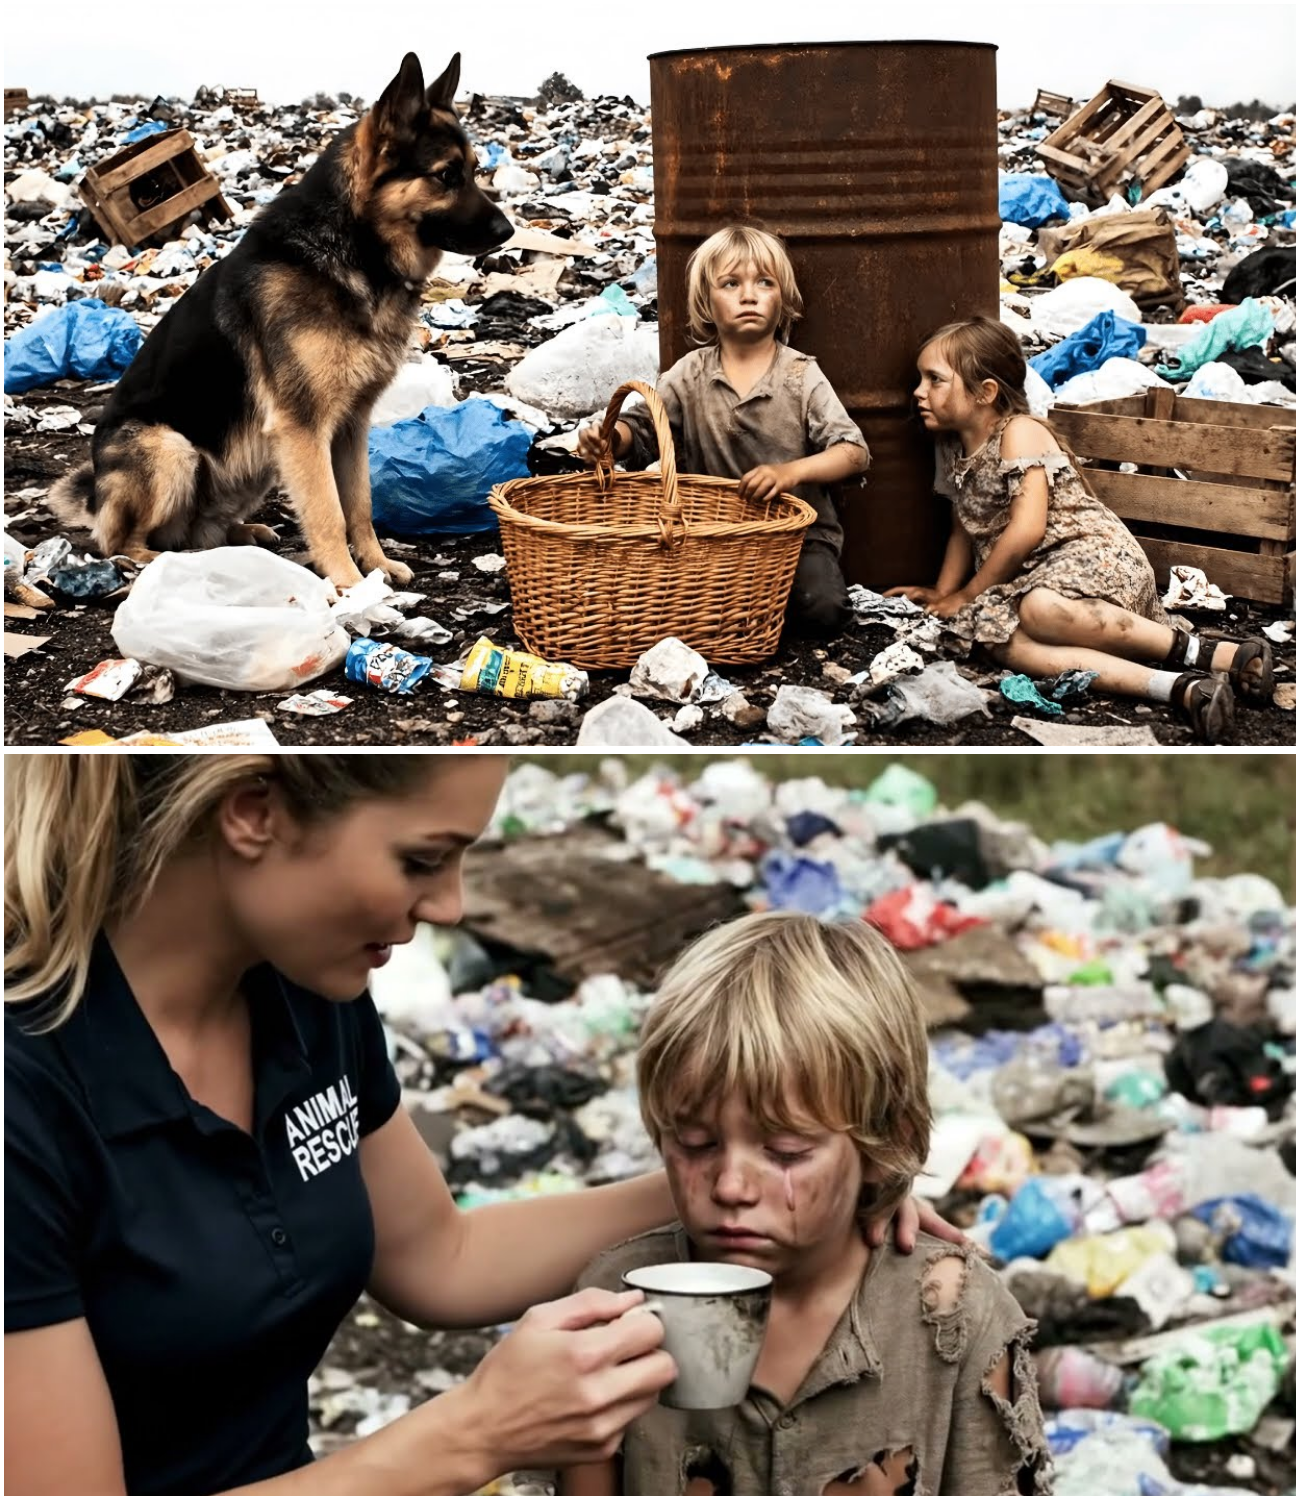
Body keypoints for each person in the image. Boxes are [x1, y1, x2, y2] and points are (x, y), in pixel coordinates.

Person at [4, 754, 963, 1496]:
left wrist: (771, 1191)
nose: (452, 904)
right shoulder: (27, 1092)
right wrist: (476, 1432)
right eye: (422, 859)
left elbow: (441, 1257)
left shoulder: (305, 994)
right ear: (253, 811)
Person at [560, 911, 1052, 1498]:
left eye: (787, 1152)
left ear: (883, 1140)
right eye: (694, 1144)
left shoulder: (955, 1317)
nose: (731, 1187)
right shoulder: (614, 1302)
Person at [886, 315, 1273, 743]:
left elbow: (1026, 530)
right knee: (1002, 643)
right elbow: (964, 529)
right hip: (1036, 582)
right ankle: (1182, 690)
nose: (918, 392)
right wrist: (944, 594)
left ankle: (1214, 653)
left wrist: (966, 595)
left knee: (1036, 611)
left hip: (1092, 557)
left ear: (986, 393)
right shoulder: (951, 448)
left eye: (934, 380)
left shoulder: (1019, 432)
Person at [576, 225, 869, 638]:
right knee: (657, 602)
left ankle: (757, 614)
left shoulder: (801, 374)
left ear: (781, 298)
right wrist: (609, 440)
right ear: (706, 304)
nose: (748, 295)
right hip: (709, 535)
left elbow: (853, 451)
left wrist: (790, 473)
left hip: (794, 536)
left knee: (822, 609)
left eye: (764, 283)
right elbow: (643, 429)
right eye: (731, 284)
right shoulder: (689, 374)